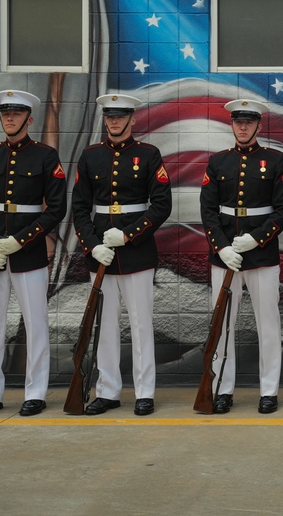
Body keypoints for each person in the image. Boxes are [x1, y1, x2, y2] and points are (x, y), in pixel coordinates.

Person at [0, 90, 67, 417]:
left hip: (29, 252)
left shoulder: (46, 156)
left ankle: (35, 392)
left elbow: (56, 210)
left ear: (29, 118)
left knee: (35, 323)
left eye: (16, 113)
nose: (9, 118)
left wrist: (21, 240)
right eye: (5, 113)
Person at [71, 94, 172, 416]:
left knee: (141, 324)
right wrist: (92, 244)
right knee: (106, 324)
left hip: (137, 251)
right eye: (109, 116)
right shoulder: (90, 157)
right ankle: (108, 390)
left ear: (132, 120)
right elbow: (80, 207)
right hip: (100, 252)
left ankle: (144, 392)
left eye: (120, 116)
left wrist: (128, 234)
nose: (114, 122)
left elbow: (161, 205)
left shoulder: (148, 155)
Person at [199, 99, 283, 414]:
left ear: (258, 125)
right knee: (223, 324)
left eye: (249, 122)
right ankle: (222, 389)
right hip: (224, 255)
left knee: (268, 322)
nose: (243, 127)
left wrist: (256, 239)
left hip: (262, 254)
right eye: (238, 121)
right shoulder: (217, 162)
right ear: (232, 125)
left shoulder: (276, 160)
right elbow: (208, 210)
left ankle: (269, 390)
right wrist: (222, 247)